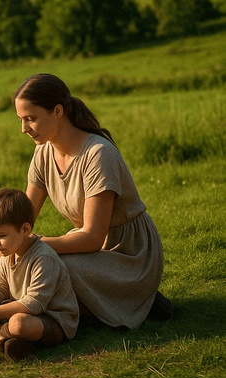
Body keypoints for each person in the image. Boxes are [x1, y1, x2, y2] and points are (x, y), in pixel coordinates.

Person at [10, 73, 172, 329]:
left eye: (31, 119)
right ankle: (97, 308)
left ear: (58, 111)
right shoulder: (43, 152)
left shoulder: (98, 154)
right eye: (21, 120)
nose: (24, 128)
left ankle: (136, 299)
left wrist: (32, 245)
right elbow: (24, 216)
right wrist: (8, 243)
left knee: (50, 263)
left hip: (127, 253)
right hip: (89, 247)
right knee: (32, 264)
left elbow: (94, 236)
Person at [0, 188, 79, 361]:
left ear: (25, 229)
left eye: (1, 235)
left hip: (52, 319)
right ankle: (7, 342)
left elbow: (33, 305)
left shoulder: (44, 257)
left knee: (18, 324)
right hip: (19, 311)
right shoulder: (9, 252)